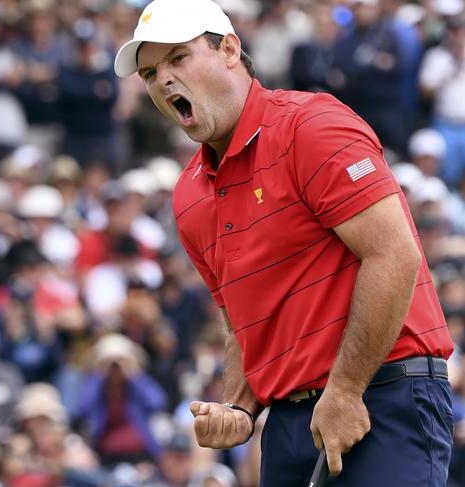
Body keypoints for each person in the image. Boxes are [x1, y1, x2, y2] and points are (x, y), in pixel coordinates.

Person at [114, 0, 454, 485]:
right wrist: (238, 403)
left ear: (229, 48)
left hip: (383, 394)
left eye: (178, 58)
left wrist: (344, 391)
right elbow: (243, 325)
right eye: (149, 73)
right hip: (291, 422)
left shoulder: (309, 126)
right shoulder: (189, 193)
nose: (162, 80)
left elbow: (394, 255)